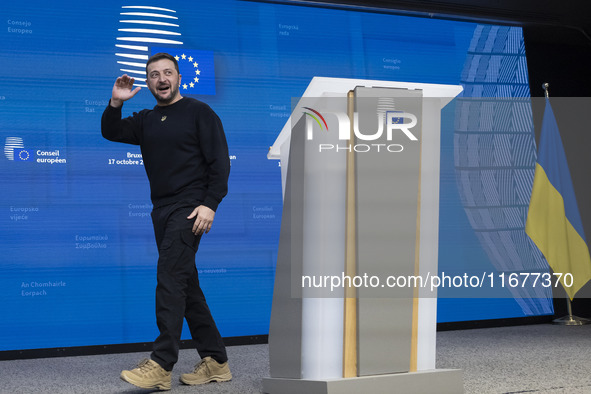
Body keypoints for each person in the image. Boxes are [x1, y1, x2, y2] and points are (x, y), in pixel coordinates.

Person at [101, 52, 231, 391]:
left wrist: (209, 204)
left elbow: (220, 164)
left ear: (178, 77)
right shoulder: (145, 119)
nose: (162, 79)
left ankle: (161, 364)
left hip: (190, 209)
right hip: (161, 210)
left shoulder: (200, 113)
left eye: (168, 72)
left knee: (171, 278)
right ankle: (216, 360)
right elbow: (110, 131)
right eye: (155, 74)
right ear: (148, 82)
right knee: (186, 287)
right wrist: (116, 102)